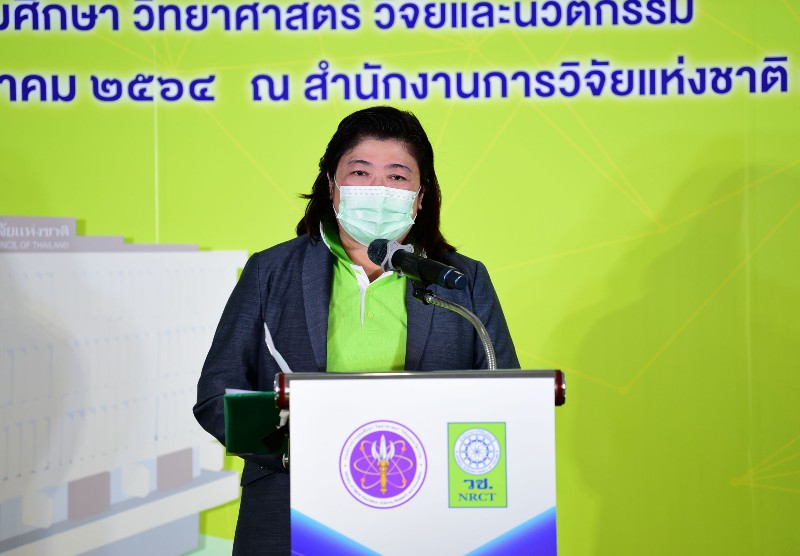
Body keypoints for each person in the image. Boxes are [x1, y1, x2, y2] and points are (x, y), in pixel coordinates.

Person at [194, 106, 519, 554]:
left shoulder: (460, 280)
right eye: (360, 172)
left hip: (427, 511)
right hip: (291, 506)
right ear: (332, 185)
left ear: (420, 196)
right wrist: (296, 447)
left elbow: (507, 399)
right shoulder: (270, 271)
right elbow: (217, 395)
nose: (378, 189)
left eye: (397, 176)